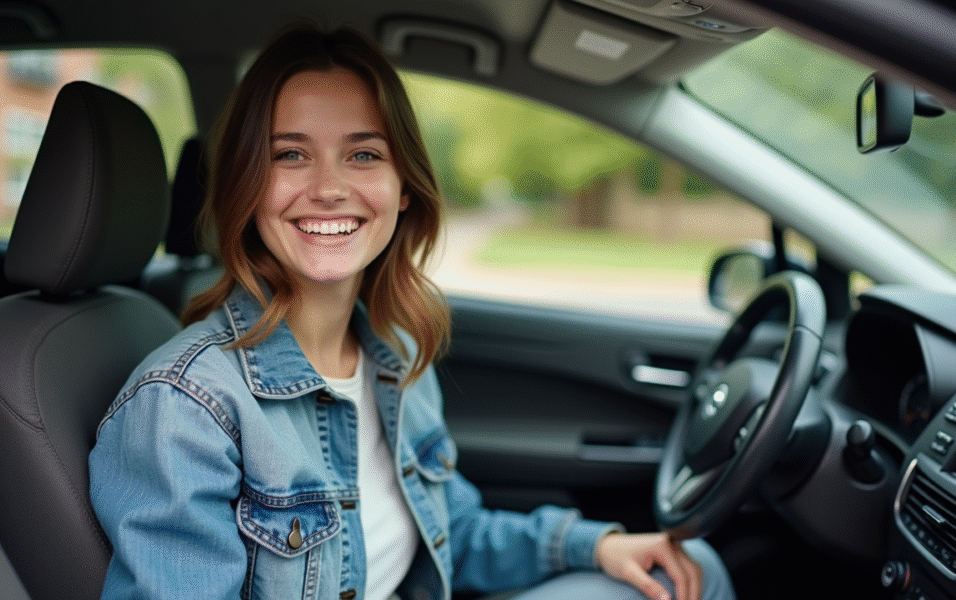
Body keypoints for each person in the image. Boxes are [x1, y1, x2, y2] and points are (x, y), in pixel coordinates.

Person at [88, 23, 735, 600]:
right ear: (245, 187)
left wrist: (596, 546)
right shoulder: (185, 407)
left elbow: (452, 529)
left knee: (685, 569)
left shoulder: (394, 355)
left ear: (403, 192)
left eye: (363, 154)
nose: (330, 187)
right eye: (291, 154)